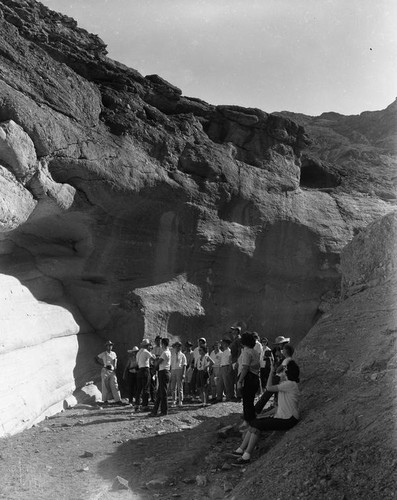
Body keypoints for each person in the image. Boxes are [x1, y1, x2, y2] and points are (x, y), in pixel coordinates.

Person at [232, 359, 300, 465]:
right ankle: (240, 450)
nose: (281, 373)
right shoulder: (287, 385)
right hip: (284, 417)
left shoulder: (290, 384)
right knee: (255, 421)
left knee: (258, 425)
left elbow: (268, 387)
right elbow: (278, 407)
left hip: (289, 419)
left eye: (283, 370)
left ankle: (247, 455)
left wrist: (271, 372)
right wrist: (263, 415)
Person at [254, 336, 291, 415]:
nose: (279, 346)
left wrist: (275, 368)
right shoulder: (284, 352)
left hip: (282, 377)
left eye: (279, 344)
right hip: (282, 376)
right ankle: (273, 405)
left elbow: (281, 367)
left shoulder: (286, 353)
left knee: (268, 391)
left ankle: (256, 409)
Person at [237, 332, 261, 425]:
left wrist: (240, 380)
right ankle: (251, 419)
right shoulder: (254, 351)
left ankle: (247, 421)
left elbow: (245, 367)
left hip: (248, 378)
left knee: (246, 401)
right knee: (250, 401)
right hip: (255, 377)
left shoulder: (246, 352)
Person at [95, 340, 127, 405]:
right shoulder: (103, 354)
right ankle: (105, 400)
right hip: (105, 370)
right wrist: (102, 365)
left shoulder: (114, 353)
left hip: (112, 370)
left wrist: (115, 368)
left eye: (110, 345)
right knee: (105, 385)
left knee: (115, 384)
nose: (109, 347)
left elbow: (115, 360)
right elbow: (96, 358)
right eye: (108, 346)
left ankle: (118, 400)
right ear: (106, 347)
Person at [150, 338, 171, 416]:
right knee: (159, 393)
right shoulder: (167, 352)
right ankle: (155, 411)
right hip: (164, 372)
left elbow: (158, 363)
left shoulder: (165, 353)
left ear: (163, 344)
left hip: (163, 372)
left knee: (163, 393)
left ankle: (164, 411)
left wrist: (155, 362)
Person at [135, 339, 155, 412]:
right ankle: (144, 405)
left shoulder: (138, 353)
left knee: (139, 389)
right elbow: (153, 359)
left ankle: (137, 405)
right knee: (146, 388)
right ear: (147, 345)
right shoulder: (146, 352)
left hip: (140, 370)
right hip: (145, 370)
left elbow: (137, 362)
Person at [170, 341, 187, 407]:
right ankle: (174, 400)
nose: (177, 347)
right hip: (173, 369)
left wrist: (183, 374)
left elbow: (184, 365)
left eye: (179, 346)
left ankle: (180, 400)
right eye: (176, 346)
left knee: (180, 386)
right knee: (173, 386)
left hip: (179, 370)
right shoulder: (172, 354)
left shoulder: (182, 355)